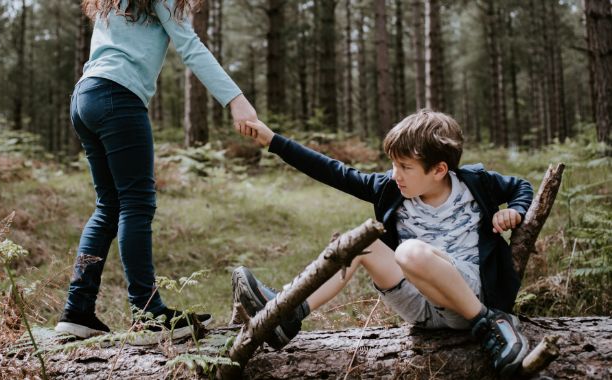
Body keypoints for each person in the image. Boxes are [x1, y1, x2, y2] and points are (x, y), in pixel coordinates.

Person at [233, 109, 533, 377]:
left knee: (409, 251)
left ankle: (491, 324)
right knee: (361, 242)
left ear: (439, 170)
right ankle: (289, 313)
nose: (395, 175)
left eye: (405, 167)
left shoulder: (475, 183)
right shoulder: (391, 189)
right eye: (393, 164)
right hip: (420, 305)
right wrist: (273, 140)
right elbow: (333, 172)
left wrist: (514, 211)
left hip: (468, 297)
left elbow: (522, 187)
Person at [54, 0, 257, 343]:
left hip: (85, 96)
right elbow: (190, 48)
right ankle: (148, 315)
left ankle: (77, 312)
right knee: (136, 205)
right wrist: (236, 99)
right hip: (118, 98)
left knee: (109, 206)